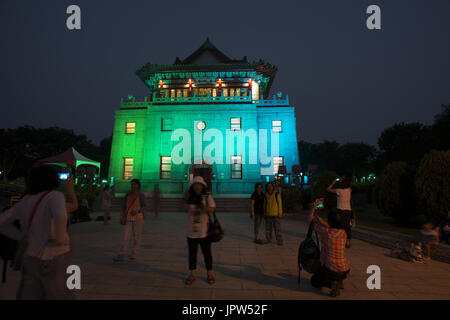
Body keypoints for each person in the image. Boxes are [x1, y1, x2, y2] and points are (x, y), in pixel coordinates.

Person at [0, 165, 73, 299]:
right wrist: (60, 237)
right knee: (58, 293)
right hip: (54, 255)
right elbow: (60, 215)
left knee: (31, 293)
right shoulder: (54, 196)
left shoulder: (26, 200)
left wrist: (21, 237)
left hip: (31, 256)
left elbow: (2, 223)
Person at [309, 198, 350, 297]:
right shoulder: (343, 233)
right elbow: (332, 227)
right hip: (345, 269)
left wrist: (314, 208)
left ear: (330, 220)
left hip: (331, 270)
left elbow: (311, 222)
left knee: (314, 281)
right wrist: (323, 222)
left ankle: (333, 285)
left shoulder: (326, 233)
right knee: (338, 270)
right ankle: (339, 280)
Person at [183, 176, 216, 285]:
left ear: (203, 186)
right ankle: (192, 274)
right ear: (192, 186)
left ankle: (209, 274)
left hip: (204, 231)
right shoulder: (189, 197)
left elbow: (212, 209)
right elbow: (183, 207)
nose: (197, 187)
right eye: (195, 185)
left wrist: (204, 207)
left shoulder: (207, 197)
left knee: (207, 253)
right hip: (191, 231)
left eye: (199, 185)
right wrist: (185, 199)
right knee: (192, 254)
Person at [113, 179, 146, 261]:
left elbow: (144, 206)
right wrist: (122, 215)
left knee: (137, 237)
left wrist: (138, 211)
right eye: (132, 184)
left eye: (134, 184)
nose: (133, 186)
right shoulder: (127, 195)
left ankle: (134, 252)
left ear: (138, 185)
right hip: (128, 217)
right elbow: (123, 206)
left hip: (138, 218)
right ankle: (122, 253)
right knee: (126, 236)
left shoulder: (141, 195)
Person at [327, 178, 353, 248]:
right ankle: (348, 242)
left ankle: (341, 241)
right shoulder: (349, 190)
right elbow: (349, 185)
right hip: (348, 211)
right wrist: (343, 181)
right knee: (347, 226)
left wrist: (333, 182)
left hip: (340, 211)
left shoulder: (339, 191)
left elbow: (328, 189)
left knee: (341, 226)